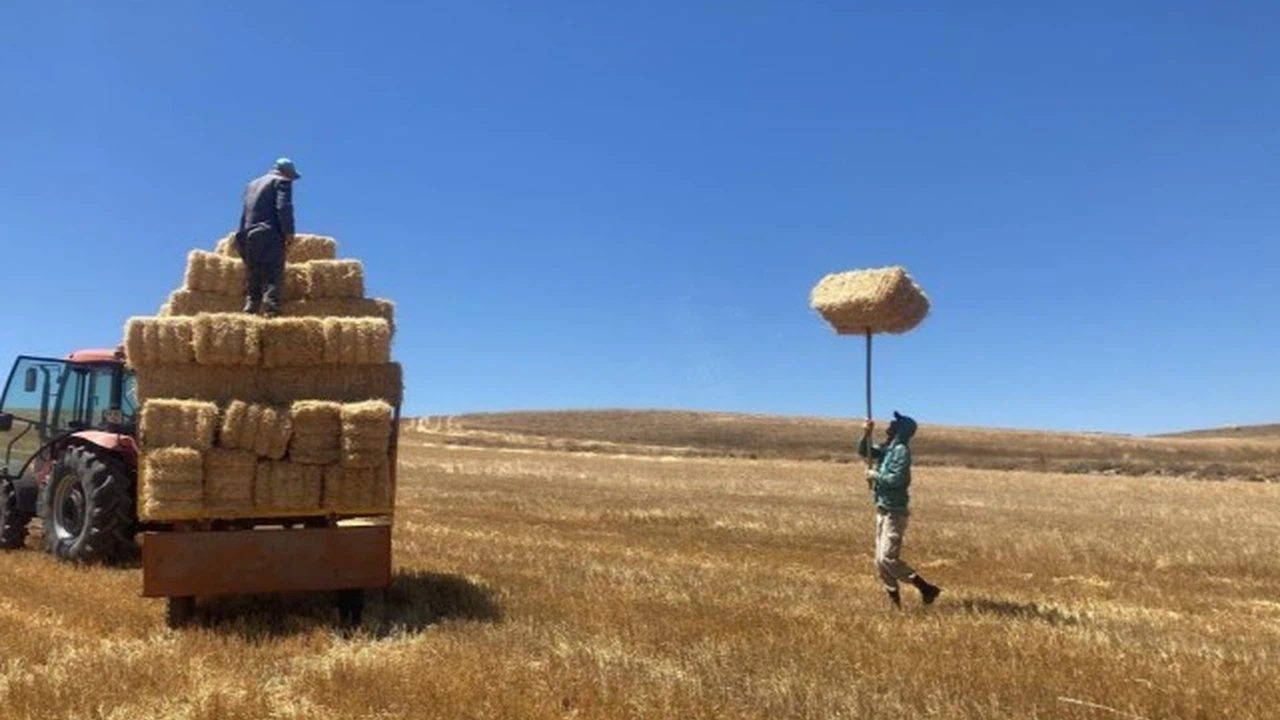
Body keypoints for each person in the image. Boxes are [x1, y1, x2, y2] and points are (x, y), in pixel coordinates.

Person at [858, 411, 942, 608]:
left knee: (887, 558)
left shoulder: (901, 451)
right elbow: (865, 451)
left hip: (895, 511)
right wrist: (866, 434)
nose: (890, 424)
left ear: (902, 430)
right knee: (879, 561)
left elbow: (896, 479)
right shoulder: (887, 448)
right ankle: (896, 605)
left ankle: (926, 588)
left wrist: (875, 475)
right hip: (882, 508)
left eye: (895, 423)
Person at [235, 157, 300, 316]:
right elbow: (283, 207)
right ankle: (271, 312)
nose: (291, 179)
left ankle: (250, 310)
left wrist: (241, 237)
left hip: (247, 234)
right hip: (269, 233)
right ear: (286, 172)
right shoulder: (282, 182)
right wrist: (289, 232)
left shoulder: (251, 185)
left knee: (253, 274)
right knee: (273, 273)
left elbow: (245, 213)